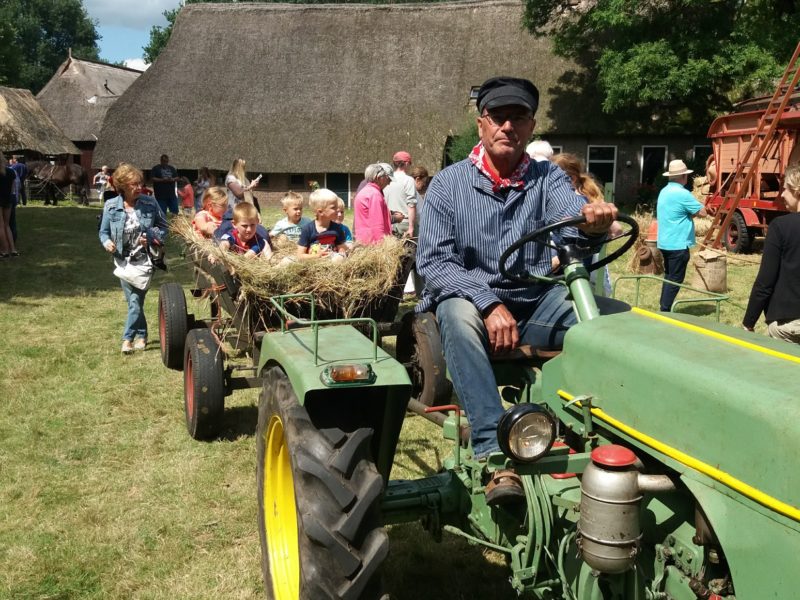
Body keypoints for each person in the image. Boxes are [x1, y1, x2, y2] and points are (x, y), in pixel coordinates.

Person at [416, 76, 620, 505]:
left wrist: (591, 220)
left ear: (531, 127)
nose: (508, 126)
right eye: (498, 117)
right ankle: (494, 450)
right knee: (455, 312)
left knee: (613, 325)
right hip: (471, 303)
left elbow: (571, 219)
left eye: (519, 117)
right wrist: (489, 303)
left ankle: (616, 437)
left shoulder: (547, 178)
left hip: (535, 303)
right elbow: (434, 263)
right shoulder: (448, 185)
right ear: (481, 124)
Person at [98, 163, 168, 353]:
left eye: (140, 184)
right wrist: (106, 243)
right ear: (122, 186)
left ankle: (127, 339)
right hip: (122, 262)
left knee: (135, 302)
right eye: (134, 185)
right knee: (134, 303)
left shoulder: (149, 203)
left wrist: (153, 238)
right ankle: (143, 335)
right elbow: (103, 232)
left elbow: (164, 227)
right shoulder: (111, 206)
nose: (139, 188)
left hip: (144, 261)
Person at [742, 164, 800, 343]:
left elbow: (765, 281)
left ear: (797, 191)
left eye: (785, 189)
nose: (781, 194)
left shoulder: (780, 227)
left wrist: (748, 322)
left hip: (788, 324)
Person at [551, 152, 621, 294]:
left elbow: (616, 229)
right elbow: (617, 230)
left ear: (572, 178)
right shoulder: (588, 198)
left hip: (571, 268)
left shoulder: (577, 202)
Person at [656, 159, 707, 312]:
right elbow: (702, 212)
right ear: (683, 177)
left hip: (664, 242)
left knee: (669, 275)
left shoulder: (663, 191)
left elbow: (677, 213)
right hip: (678, 243)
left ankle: (663, 306)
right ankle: (664, 310)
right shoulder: (683, 194)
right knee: (676, 279)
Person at [296, 188, 348, 261]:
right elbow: (300, 255)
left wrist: (340, 253)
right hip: (314, 262)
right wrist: (317, 256)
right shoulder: (307, 229)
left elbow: (342, 250)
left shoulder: (337, 228)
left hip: (333, 263)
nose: (337, 210)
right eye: (333, 207)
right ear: (320, 212)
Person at [353, 163, 393, 244]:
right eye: (387, 178)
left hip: (363, 241)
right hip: (373, 244)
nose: (389, 183)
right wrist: (382, 246)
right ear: (379, 178)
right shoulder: (375, 194)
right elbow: (377, 224)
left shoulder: (364, 191)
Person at [383, 151, 417, 237]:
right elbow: (411, 205)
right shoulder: (408, 180)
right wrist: (411, 227)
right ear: (406, 163)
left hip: (388, 222)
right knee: (408, 250)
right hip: (404, 224)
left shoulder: (385, 179)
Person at [0, 155, 19, 258]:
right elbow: (12, 190)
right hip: (8, 200)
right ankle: (13, 249)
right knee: (7, 226)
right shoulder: (11, 172)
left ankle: (4, 251)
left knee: (0, 226)